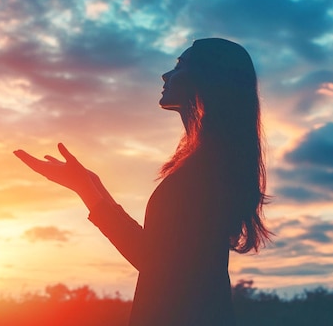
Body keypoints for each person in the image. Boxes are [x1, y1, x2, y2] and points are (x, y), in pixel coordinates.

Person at [14, 38, 271, 326]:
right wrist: (92, 184)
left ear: (208, 79)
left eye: (180, 66)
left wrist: (86, 189)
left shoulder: (205, 171)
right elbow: (158, 251)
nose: (166, 75)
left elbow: (151, 261)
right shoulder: (211, 164)